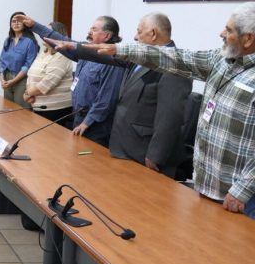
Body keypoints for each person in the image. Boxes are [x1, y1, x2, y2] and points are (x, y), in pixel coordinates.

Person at [93, 2, 255, 221]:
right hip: (208, 185)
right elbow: (175, 58)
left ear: (248, 38)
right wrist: (122, 50)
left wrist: (242, 190)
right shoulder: (223, 59)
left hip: (240, 197)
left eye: (229, 30)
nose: (221, 33)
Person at [28, 13, 193, 176]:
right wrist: (70, 45)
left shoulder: (175, 65)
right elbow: (98, 53)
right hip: (125, 145)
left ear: (153, 33)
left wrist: (156, 155)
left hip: (146, 154)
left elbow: (170, 117)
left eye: (139, 31)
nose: (135, 37)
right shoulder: (142, 55)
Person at [16, 14, 124, 145]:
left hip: (95, 124)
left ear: (106, 36)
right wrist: (34, 26)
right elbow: (61, 40)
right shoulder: (87, 51)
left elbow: (107, 99)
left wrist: (87, 122)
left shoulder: (113, 61)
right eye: (91, 28)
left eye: (94, 29)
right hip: (78, 117)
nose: (89, 32)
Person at [22, 21, 74, 124]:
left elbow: (48, 82)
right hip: (38, 106)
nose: (43, 35)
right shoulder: (43, 53)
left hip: (55, 109)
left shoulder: (62, 55)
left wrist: (28, 93)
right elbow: (31, 75)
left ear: (57, 36)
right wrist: (27, 93)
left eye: (47, 33)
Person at [0, 12, 39, 108]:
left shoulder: (30, 42)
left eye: (19, 21)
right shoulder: (8, 40)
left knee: (21, 111)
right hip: (7, 78)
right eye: (13, 21)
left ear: (25, 24)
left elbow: (28, 65)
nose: (16, 23)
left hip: (22, 80)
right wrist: (2, 79)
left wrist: (14, 81)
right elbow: (2, 61)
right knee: (8, 108)